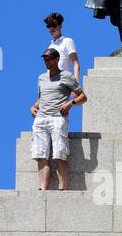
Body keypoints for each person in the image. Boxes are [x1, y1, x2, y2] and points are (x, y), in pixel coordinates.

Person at [31, 48, 88, 191]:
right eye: (45, 59)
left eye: (50, 59)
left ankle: (63, 188)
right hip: (41, 118)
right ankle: (42, 189)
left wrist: (70, 104)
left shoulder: (66, 76)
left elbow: (83, 97)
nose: (47, 62)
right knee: (40, 155)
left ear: (57, 60)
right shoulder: (41, 78)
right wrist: (33, 106)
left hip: (57, 118)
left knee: (59, 154)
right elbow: (43, 97)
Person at [44, 12, 81, 83]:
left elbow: (75, 63)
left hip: (62, 82)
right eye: (48, 26)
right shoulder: (50, 46)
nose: (51, 28)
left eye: (54, 25)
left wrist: (76, 85)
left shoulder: (67, 41)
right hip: (51, 84)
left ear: (60, 26)